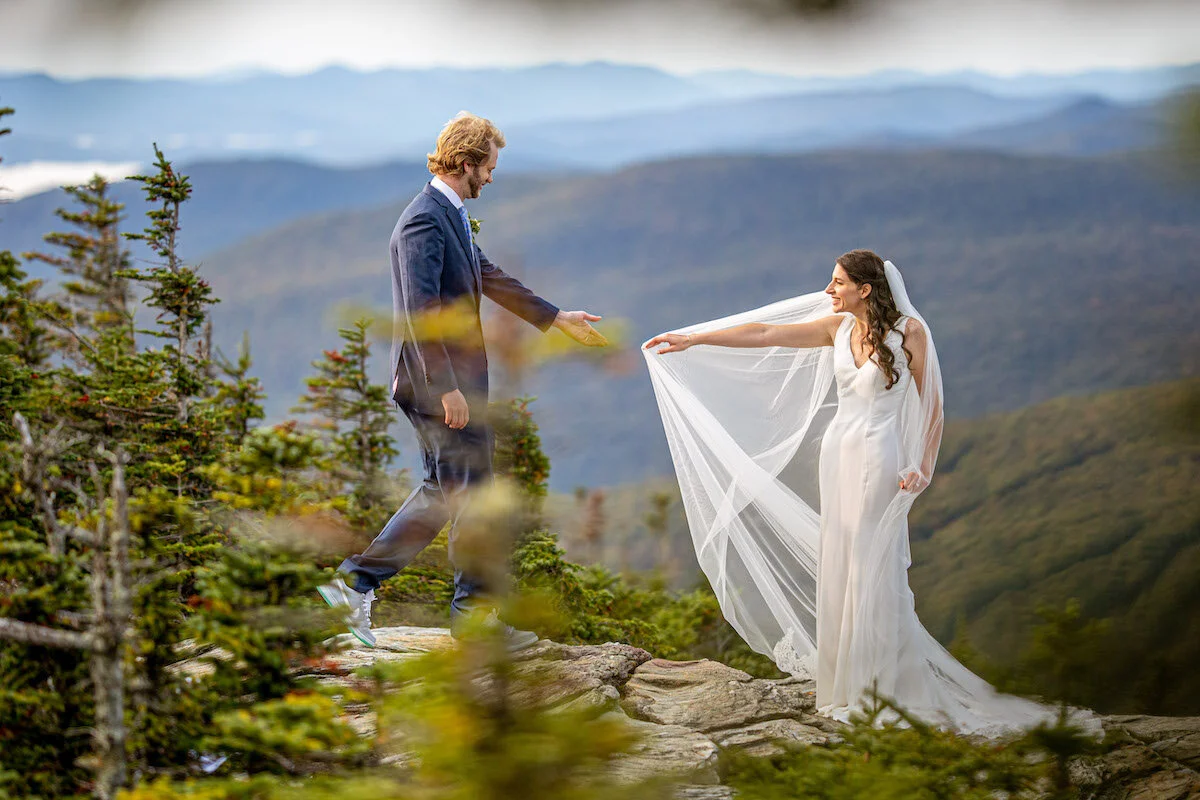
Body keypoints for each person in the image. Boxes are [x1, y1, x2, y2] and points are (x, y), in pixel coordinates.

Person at [643, 250, 1095, 736]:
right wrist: (692, 339)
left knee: (872, 565)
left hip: (880, 458)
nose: (827, 290)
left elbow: (934, 408)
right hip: (837, 456)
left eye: (837, 282)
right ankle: (847, 685)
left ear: (865, 289)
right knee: (841, 562)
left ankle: (886, 685)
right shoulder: (835, 329)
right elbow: (765, 334)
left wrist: (922, 466)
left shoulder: (910, 334)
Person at [319, 112, 604, 650]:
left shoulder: (447, 214)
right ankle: (469, 621)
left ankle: (355, 583)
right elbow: (420, 312)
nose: (492, 178)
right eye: (489, 168)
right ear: (467, 163)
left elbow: (486, 273)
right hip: (438, 386)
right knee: (468, 495)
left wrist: (555, 317)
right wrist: (446, 387)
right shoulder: (423, 222)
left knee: (448, 493)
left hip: (450, 385)